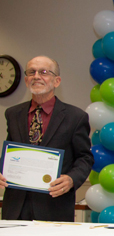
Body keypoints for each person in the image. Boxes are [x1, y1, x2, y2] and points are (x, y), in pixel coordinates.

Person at [1, 56, 93, 221]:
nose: (36, 76)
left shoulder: (75, 117)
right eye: (31, 72)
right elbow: (10, 153)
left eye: (44, 72)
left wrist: (72, 179)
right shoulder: (13, 114)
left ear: (56, 81)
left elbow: (84, 157)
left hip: (54, 206)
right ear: (27, 79)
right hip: (15, 207)